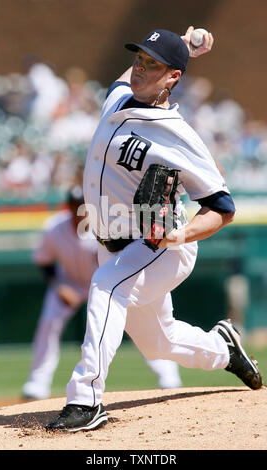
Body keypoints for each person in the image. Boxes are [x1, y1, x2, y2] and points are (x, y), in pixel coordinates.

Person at [46, 26, 262, 432]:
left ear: (172, 78)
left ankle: (86, 398)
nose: (141, 69)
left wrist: (177, 236)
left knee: (107, 286)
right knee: (159, 342)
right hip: (111, 241)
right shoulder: (116, 99)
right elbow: (127, 78)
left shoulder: (178, 136)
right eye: (139, 60)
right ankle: (224, 348)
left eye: (153, 64)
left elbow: (222, 207)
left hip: (159, 242)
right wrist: (181, 47)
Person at [23, 185, 182, 399]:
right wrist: (59, 287)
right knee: (49, 322)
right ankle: (37, 384)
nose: (78, 209)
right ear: (68, 206)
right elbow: (44, 261)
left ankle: (168, 378)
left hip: (105, 284)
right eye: (74, 205)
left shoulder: (105, 225)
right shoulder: (54, 227)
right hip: (69, 283)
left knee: (139, 323)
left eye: (82, 205)